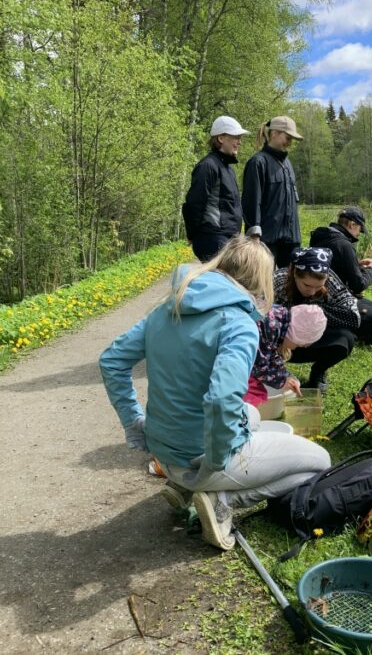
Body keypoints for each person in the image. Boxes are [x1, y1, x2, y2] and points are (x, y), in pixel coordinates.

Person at [99, 236, 331, 551]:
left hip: (162, 449)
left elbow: (112, 361)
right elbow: (221, 399)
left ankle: (182, 485)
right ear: (261, 283)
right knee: (320, 461)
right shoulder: (239, 324)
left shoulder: (169, 306)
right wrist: (217, 460)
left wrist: (133, 423)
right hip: (201, 460)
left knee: (250, 414)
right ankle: (222, 498)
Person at [274, 247, 360, 392]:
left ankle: (318, 371)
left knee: (346, 339)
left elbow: (353, 316)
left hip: (312, 342)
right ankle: (273, 368)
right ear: (295, 273)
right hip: (281, 342)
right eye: (306, 285)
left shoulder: (329, 278)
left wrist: (317, 312)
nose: (312, 291)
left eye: (318, 287)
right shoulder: (277, 280)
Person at [308, 206, 372, 343]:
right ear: (352, 224)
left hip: (319, 296)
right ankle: (346, 332)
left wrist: (356, 265)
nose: (359, 233)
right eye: (360, 229)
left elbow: (332, 267)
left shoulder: (322, 236)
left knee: (368, 303)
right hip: (332, 302)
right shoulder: (344, 244)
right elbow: (358, 285)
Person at [182, 116, 250, 262]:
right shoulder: (208, 166)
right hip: (213, 239)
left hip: (227, 240)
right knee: (220, 283)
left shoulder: (227, 168)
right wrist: (193, 235)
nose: (239, 142)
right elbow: (193, 204)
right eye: (236, 137)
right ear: (221, 138)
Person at [242, 116, 304, 267]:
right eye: (288, 137)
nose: (290, 142)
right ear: (274, 133)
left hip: (290, 241)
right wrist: (254, 237)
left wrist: (296, 236)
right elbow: (251, 202)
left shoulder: (287, 164)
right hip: (265, 241)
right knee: (262, 286)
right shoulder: (258, 163)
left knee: (289, 287)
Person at [245, 304, 327, 407]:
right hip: (229, 353)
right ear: (296, 335)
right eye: (298, 345)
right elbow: (259, 366)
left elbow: (270, 354)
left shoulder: (278, 318)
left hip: (232, 345)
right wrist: (282, 381)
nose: (295, 348)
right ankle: (246, 416)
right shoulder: (269, 327)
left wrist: (286, 376)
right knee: (257, 393)